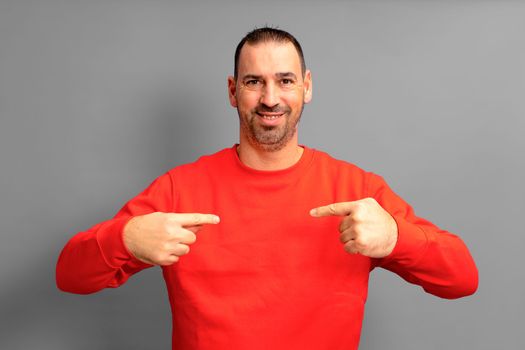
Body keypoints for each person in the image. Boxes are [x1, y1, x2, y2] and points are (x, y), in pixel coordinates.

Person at [56, 27, 478, 350]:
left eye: (286, 81)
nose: (270, 97)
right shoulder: (178, 189)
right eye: (254, 81)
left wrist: (396, 237)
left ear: (307, 87)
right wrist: (125, 238)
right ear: (232, 91)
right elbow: (70, 275)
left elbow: (462, 278)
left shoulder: (356, 190)